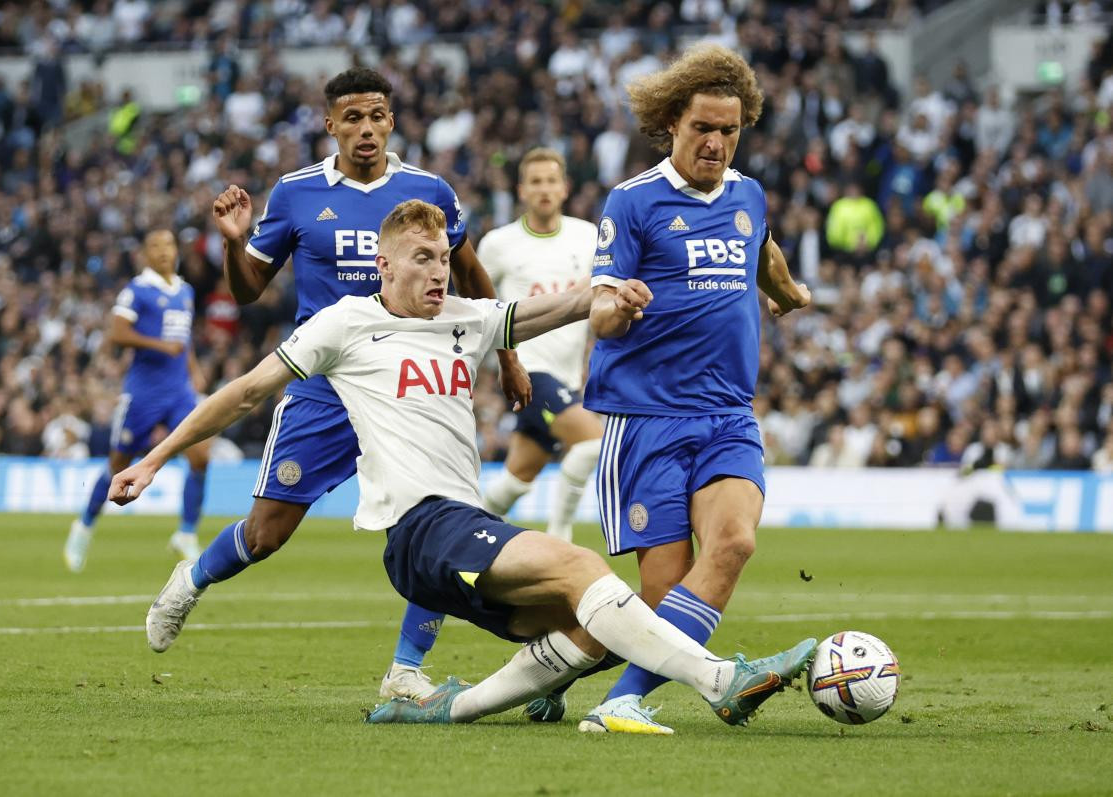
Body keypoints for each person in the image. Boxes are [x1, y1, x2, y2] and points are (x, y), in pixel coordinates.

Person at [110, 200, 815, 733]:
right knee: (584, 571)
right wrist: (152, 459)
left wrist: (612, 291)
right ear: (383, 265)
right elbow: (243, 393)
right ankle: (720, 678)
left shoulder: (465, 318)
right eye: (421, 257)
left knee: (601, 624)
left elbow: (561, 306)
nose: (438, 268)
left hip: (462, 528)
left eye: (444, 256)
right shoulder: (345, 323)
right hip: (419, 530)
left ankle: (451, 707)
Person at [148, 67, 530, 704]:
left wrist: (508, 359)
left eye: (376, 116)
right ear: (330, 125)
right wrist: (235, 244)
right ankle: (192, 580)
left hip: (410, 384)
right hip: (325, 382)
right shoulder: (298, 194)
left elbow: (467, 270)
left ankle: (406, 669)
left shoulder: (426, 190)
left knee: (433, 528)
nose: (366, 129)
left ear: (391, 120)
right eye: (352, 118)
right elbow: (247, 291)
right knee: (267, 532)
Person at [573, 44, 812, 734]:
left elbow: (760, 248)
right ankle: (558, 662)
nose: (716, 143)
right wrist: (620, 308)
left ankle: (621, 701)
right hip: (646, 417)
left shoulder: (748, 193)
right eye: (703, 128)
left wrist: (788, 293)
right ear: (672, 122)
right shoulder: (633, 202)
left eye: (729, 131)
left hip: (726, 413)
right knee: (659, 596)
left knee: (733, 544)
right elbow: (600, 312)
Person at [64, 228, 211, 572]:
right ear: (145, 254)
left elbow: (183, 338)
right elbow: (117, 333)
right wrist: (161, 346)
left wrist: (193, 368)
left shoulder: (185, 291)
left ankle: (186, 533)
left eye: (169, 245)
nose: (164, 252)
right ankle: (84, 526)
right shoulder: (137, 290)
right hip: (144, 393)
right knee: (119, 464)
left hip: (179, 392)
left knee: (201, 456)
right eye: (156, 247)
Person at [478, 148, 602, 543]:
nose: (544, 189)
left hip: (566, 375)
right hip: (527, 371)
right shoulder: (499, 244)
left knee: (516, 479)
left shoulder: (588, 237)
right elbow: (478, 304)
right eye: (535, 182)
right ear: (521, 191)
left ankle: (463, 537)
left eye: (551, 180)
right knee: (594, 444)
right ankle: (560, 539)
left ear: (564, 188)